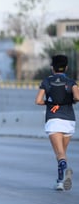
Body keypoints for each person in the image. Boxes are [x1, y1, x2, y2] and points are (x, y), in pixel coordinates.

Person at [35, 54, 79, 191]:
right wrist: (67, 101)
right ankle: (60, 180)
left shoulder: (47, 82)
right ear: (66, 67)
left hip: (54, 120)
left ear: (51, 67)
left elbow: (38, 101)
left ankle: (63, 178)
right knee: (62, 154)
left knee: (59, 154)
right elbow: (77, 97)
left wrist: (51, 103)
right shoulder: (71, 82)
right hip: (69, 121)